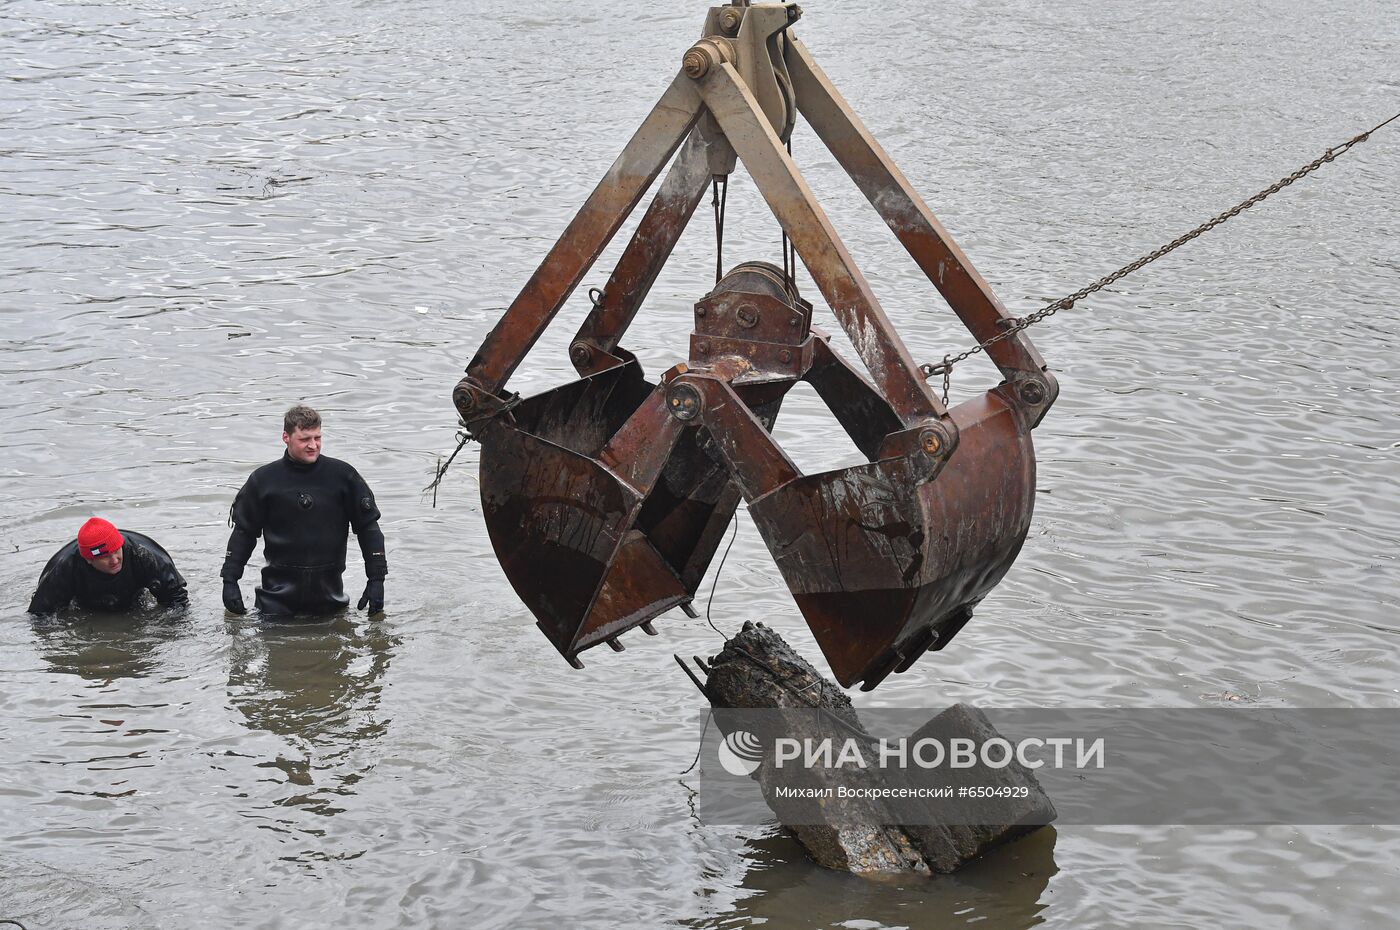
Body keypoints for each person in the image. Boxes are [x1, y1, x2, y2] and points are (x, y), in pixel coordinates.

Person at [221, 404, 387, 618]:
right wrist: (230, 580)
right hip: (275, 604)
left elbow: (369, 530)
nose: (313, 445)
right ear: (286, 437)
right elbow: (243, 534)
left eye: (317, 438)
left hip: (330, 602)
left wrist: (376, 580)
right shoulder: (263, 481)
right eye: (304, 439)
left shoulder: (343, 477)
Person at [28, 517, 188, 615]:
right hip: (86, 606)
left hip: (134, 601)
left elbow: (177, 599)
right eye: (105, 557)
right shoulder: (65, 567)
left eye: (116, 551)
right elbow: (40, 614)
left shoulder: (144, 554)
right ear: (88, 560)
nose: (114, 560)